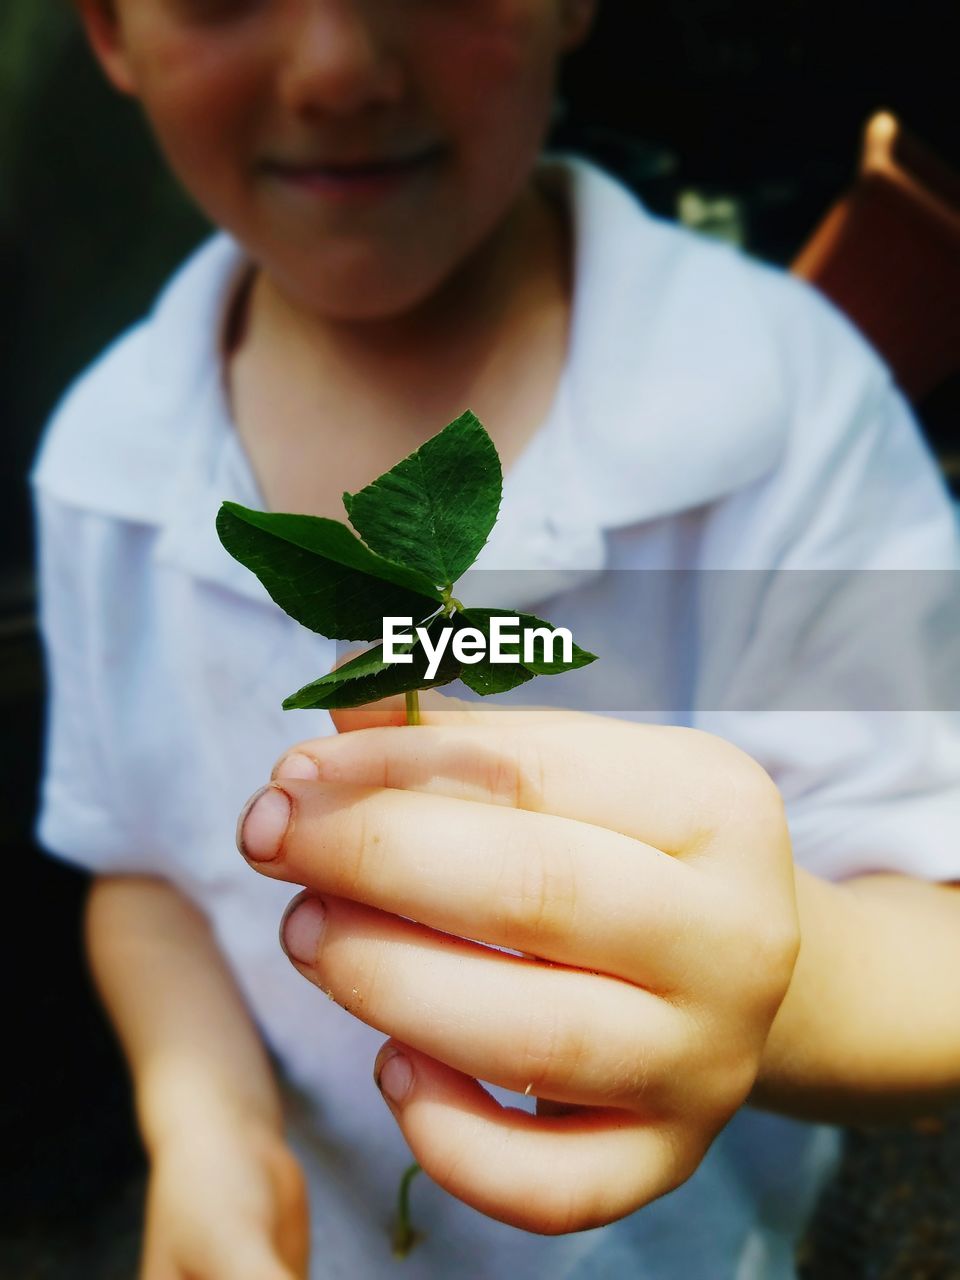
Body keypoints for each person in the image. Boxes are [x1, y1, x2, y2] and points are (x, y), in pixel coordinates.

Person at [31, 2, 960, 1278]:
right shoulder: (101, 470)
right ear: (111, 31)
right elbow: (140, 870)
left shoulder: (790, 404)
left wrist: (786, 977)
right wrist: (208, 1123)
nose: (339, 67)